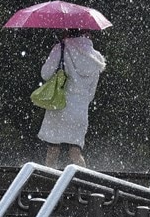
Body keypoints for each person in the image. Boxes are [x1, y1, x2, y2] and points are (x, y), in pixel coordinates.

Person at [38, 30, 106, 168]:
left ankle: (52, 185)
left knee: (53, 150)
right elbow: (91, 94)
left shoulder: (61, 48)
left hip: (60, 105)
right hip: (80, 110)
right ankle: (84, 184)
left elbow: (45, 74)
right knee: (75, 152)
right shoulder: (95, 57)